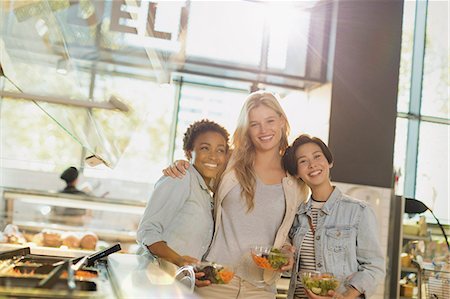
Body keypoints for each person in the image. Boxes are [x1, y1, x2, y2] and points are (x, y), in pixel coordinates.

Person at [164, 91, 309, 299]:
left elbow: (287, 232)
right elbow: (196, 177)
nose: (264, 130)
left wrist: (286, 252)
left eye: (270, 121)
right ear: (246, 129)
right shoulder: (229, 163)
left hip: (261, 289)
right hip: (214, 280)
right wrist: (181, 165)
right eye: (254, 124)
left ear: (282, 122)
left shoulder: (296, 181)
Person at [282, 134, 385, 299]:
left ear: (329, 162)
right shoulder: (297, 214)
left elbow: (375, 266)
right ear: (297, 173)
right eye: (303, 161)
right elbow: (290, 258)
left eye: (317, 156)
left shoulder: (359, 211)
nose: (312, 164)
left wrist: (348, 295)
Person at [136, 120, 229, 272]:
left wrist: (191, 270)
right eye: (205, 148)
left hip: (177, 283)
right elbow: (147, 232)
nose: (213, 156)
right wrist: (179, 261)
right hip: (155, 278)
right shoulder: (180, 177)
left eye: (220, 150)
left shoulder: (207, 193)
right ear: (188, 152)